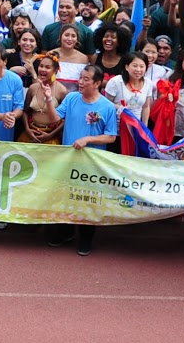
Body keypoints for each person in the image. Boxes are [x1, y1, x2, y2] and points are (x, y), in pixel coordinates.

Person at [54, 75, 118, 255]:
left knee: (88, 199)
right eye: (80, 78)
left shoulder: (107, 106)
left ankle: (86, 237)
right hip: (69, 160)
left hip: (91, 163)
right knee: (66, 195)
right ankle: (66, 233)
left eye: (86, 79)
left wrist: (88, 139)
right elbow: (54, 118)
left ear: (97, 83)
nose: (80, 82)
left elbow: (111, 136)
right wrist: (48, 99)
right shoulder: (71, 98)